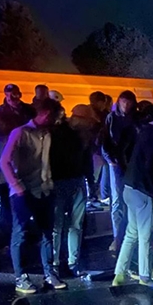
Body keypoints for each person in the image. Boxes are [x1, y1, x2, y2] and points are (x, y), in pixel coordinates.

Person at [0, 98, 66, 294]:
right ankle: (20, 277)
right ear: (45, 113)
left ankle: (49, 273)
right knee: (20, 233)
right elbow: (4, 161)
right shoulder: (20, 132)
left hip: (44, 189)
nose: (54, 120)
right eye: (53, 116)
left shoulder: (47, 133)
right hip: (23, 191)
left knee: (47, 233)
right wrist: (16, 186)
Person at [112, 105, 153, 286]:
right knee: (145, 235)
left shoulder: (145, 131)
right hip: (143, 189)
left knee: (131, 233)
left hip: (129, 186)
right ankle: (145, 277)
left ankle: (119, 274)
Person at [50, 104, 95, 278]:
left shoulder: (62, 132)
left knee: (62, 225)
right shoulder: (66, 134)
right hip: (66, 181)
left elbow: (87, 161)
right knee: (69, 225)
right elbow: (86, 161)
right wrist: (90, 182)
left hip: (67, 181)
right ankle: (67, 263)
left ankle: (60, 263)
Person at [0, 84, 37, 244]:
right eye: (8, 94)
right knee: (6, 199)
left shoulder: (28, 110)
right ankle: (6, 238)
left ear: (20, 94)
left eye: (14, 94)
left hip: (27, 155)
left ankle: (26, 235)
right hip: (6, 153)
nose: (11, 97)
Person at [101, 91, 139, 251]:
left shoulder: (135, 118)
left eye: (129, 102)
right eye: (124, 101)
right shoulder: (112, 117)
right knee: (117, 200)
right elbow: (104, 139)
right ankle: (117, 237)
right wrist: (110, 159)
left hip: (131, 163)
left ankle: (131, 234)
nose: (126, 105)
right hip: (117, 163)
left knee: (132, 199)